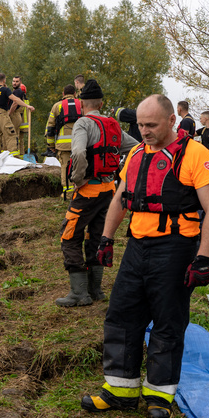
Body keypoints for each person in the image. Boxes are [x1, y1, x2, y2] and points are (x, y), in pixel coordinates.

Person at [83, 94, 209, 418]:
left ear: (172, 121)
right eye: (141, 125)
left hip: (176, 250)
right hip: (137, 247)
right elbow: (120, 198)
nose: (144, 131)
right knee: (121, 315)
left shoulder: (196, 156)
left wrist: (203, 259)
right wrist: (106, 238)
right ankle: (120, 389)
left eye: (151, 125)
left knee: (168, 322)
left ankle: (159, 395)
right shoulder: (135, 154)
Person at [55, 79, 138, 307]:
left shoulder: (82, 123)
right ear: (100, 103)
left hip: (88, 189)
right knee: (96, 236)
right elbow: (135, 147)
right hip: (109, 191)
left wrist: (77, 179)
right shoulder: (112, 125)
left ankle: (79, 294)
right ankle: (96, 290)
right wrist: (120, 171)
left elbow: (79, 154)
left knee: (70, 236)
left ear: (82, 104)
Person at [45, 84, 82, 196]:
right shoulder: (81, 104)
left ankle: (68, 193)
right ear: (75, 94)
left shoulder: (56, 106)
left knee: (65, 166)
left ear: (63, 94)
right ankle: (80, 191)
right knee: (80, 165)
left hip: (63, 145)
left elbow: (50, 127)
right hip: (80, 143)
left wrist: (51, 145)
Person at [0, 73, 34, 156]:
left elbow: (0, 98)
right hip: (2, 114)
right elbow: (15, 100)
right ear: (4, 80)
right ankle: (14, 159)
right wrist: (27, 106)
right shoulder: (6, 90)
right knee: (11, 135)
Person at [9, 77, 29, 155]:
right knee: (20, 140)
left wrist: (9, 114)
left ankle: (17, 156)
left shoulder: (19, 96)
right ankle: (21, 155)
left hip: (18, 120)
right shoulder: (25, 100)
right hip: (23, 123)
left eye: (16, 81)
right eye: (13, 81)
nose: (14, 83)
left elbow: (15, 105)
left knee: (16, 138)